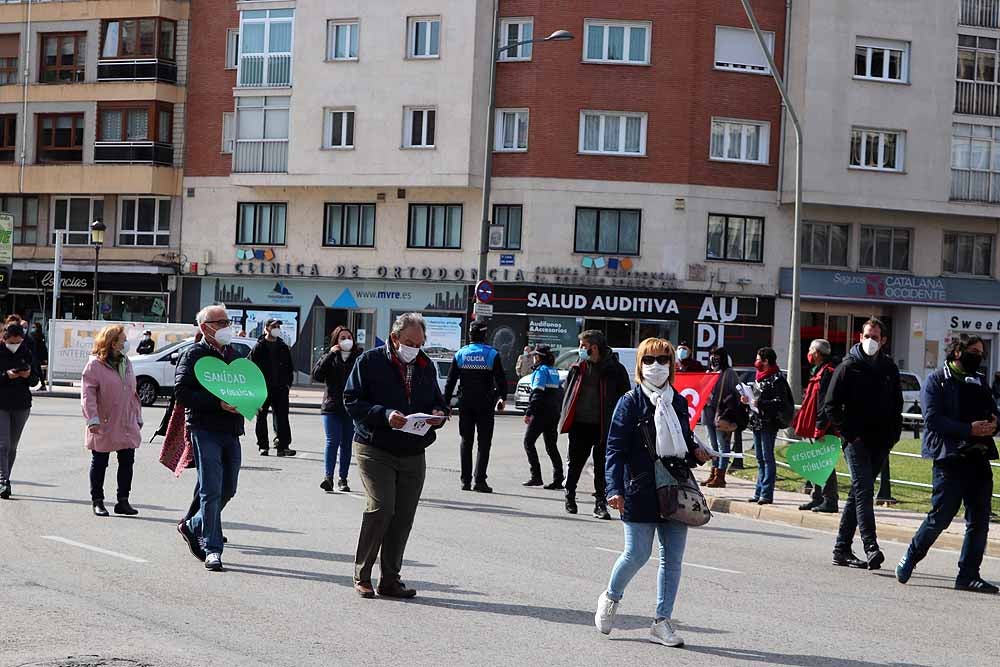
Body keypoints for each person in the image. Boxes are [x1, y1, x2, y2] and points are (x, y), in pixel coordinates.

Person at [596, 338, 711, 647]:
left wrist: (697, 453)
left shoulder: (678, 402)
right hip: (639, 487)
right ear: (639, 365)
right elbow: (614, 450)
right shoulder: (630, 402)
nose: (656, 366)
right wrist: (613, 488)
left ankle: (662, 621)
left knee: (672, 559)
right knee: (637, 553)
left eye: (663, 359)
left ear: (672, 365)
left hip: (675, 488)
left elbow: (682, 443)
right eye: (649, 360)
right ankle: (611, 597)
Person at [344, 313, 448, 599]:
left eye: (420, 342)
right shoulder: (370, 361)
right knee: (382, 508)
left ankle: (390, 579)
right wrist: (386, 415)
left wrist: (439, 413)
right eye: (410, 342)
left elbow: (438, 401)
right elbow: (352, 400)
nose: (415, 348)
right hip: (375, 446)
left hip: (413, 450)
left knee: (403, 517)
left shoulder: (426, 366)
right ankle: (362, 575)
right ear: (395, 338)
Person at [896, 334, 999, 594]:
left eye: (982, 353)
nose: (979, 357)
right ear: (957, 353)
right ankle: (912, 555)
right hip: (950, 458)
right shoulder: (936, 381)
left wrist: (994, 423)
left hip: (978, 458)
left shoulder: (978, 381)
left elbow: (993, 409)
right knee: (940, 517)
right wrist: (968, 430)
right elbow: (932, 420)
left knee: (979, 520)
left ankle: (968, 575)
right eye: (974, 351)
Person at [823, 317, 902, 570]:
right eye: (867, 335)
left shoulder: (889, 368)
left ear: (884, 341)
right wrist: (849, 434)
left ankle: (841, 548)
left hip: (880, 441)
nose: (871, 341)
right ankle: (871, 546)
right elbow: (831, 405)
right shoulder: (848, 367)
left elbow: (897, 405)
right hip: (855, 441)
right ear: (860, 337)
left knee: (857, 492)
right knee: (865, 490)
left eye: (875, 337)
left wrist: (893, 435)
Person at [175, 305, 245, 572]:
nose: (228, 326)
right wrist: (217, 403)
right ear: (205, 328)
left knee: (229, 489)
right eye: (222, 322)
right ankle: (212, 548)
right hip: (204, 429)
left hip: (232, 429)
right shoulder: (193, 354)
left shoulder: (234, 354)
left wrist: (252, 401)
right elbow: (182, 392)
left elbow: (245, 387)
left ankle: (192, 524)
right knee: (211, 489)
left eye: (228, 321)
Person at [559, 330, 632, 519]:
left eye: (584, 346)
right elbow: (567, 391)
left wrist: (622, 423)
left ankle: (600, 503)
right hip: (580, 424)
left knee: (602, 466)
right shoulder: (578, 367)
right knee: (575, 463)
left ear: (594, 347)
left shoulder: (615, 369)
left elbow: (625, 397)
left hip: (604, 426)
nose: (581, 349)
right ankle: (570, 495)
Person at [81, 324, 142, 517]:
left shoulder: (127, 362)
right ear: (113, 342)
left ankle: (122, 501)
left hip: (126, 420)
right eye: (123, 340)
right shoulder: (95, 365)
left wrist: (137, 415)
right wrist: (92, 418)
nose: (126, 344)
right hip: (104, 420)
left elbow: (133, 393)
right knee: (100, 461)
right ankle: (97, 501)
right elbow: (87, 395)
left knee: (127, 461)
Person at [444, 320, 507, 492]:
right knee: (484, 442)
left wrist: (446, 403)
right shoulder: (492, 354)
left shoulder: (461, 354)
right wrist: (502, 398)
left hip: (465, 403)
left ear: (470, 335)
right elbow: (501, 379)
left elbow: (450, 381)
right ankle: (479, 481)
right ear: (485, 335)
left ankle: (465, 481)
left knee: (466, 441)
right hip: (485, 404)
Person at [313, 326, 361, 493]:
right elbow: (317, 375)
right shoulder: (330, 356)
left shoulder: (359, 357)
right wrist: (331, 354)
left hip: (350, 407)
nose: (346, 340)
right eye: (342, 337)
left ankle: (343, 478)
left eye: (349, 337)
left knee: (346, 443)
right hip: (331, 405)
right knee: (332, 441)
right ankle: (328, 477)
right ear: (336, 341)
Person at [793, 339, 839, 514]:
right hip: (815, 426)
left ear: (818, 353)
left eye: (811, 350)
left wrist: (820, 428)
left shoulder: (827, 373)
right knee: (815, 462)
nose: (809, 354)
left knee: (824, 464)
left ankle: (830, 501)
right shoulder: (818, 371)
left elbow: (825, 404)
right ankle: (817, 497)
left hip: (823, 427)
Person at [745, 347, 794, 505]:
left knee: (767, 457)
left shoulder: (777, 379)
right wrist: (747, 401)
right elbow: (755, 397)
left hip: (768, 423)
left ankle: (766, 493)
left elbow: (780, 402)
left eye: (758, 359)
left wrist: (760, 403)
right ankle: (758, 491)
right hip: (757, 421)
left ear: (766, 361)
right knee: (759, 458)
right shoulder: (759, 377)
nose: (756, 362)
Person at [249, 318, 296, 457]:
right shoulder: (259, 346)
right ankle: (263, 446)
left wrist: (288, 384)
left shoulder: (283, 346)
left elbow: (289, 367)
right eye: (274, 326)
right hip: (262, 388)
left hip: (280, 388)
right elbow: (251, 367)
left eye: (278, 326)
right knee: (261, 417)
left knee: (282, 417)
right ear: (267, 328)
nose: (277, 328)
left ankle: (283, 446)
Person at [0, 323, 35, 499]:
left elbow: (36, 380)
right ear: (5, 339)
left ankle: (5, 476)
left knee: (12, 447)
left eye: (19, 341)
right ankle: (3, 481)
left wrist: (29, 375)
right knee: (3, 445)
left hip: (21, 405)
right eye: (12, 341)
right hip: (1, 404)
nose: (16, 344)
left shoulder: (27, 351)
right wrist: (6, 375)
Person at [522, 344, 564, 488]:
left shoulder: (541, 371)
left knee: (528, 442)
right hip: (553, 414)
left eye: (535, 355)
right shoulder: (554, 371)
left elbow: (537, 394)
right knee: (551, 446)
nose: (534, 358)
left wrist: (529, 413)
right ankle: (558, 478)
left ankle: (536, 476)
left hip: (541, 414)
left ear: (539, 357)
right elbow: (559, 393)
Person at [702, 347, 740, 488]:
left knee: (722, 445)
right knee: (712, 446)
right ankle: (713, 472)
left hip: (721, 415)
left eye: (717, 356)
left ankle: (720, 475)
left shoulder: (729, 373)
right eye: (712, 356)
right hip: (708, 413)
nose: (714, 358)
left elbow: (736, 391)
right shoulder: (709, 372)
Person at [29, 323, 47, 391]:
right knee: (38, 370)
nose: (33, 328)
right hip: (37, 356)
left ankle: (39, 383)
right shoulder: (41, 336)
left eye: (34, 327)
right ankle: (43, 385)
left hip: (34, 355)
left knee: (34, 370)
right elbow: (43, 348)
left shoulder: (32, 335)